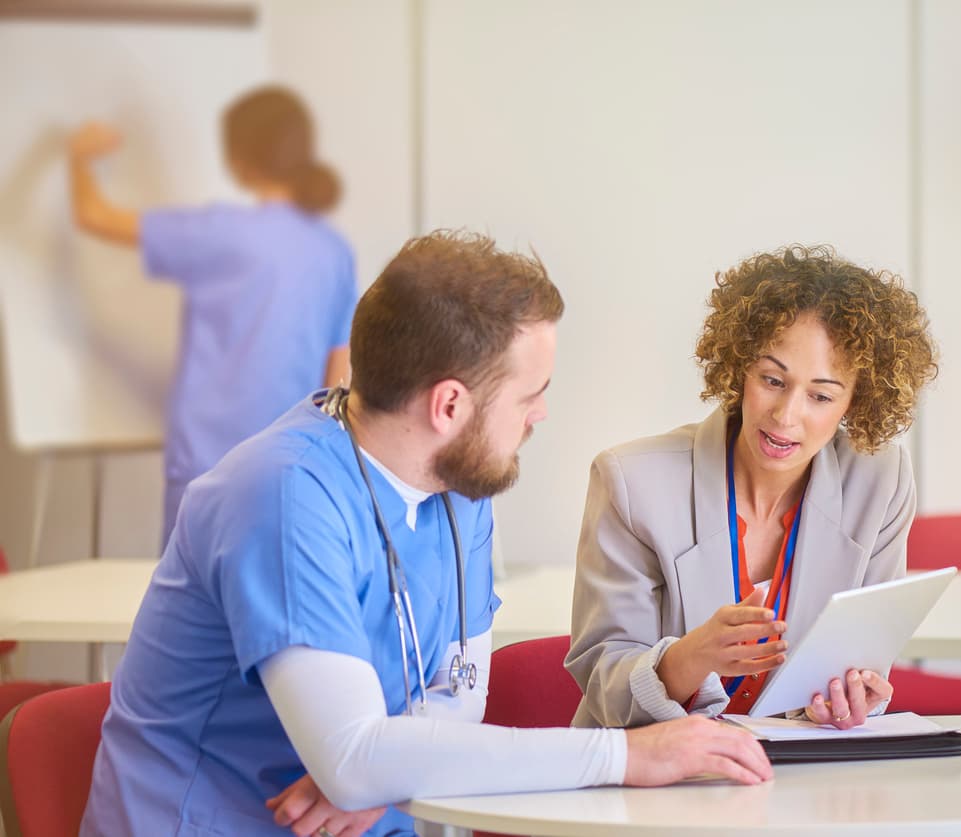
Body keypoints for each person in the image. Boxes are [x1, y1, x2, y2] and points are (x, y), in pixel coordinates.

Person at [80, 231, 772, 837]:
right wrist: (630, 757)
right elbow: (356, 759)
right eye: (531, 394)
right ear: (449, 404)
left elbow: (459, 696)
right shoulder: (284, 496)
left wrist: (375, 766)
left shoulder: (460, 482)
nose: (541, 415)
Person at [566, 244, 938, 731]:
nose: (786, 417)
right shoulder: (632, 482)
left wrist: (843, 700)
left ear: (856, 401)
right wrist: (689, 658)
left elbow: (862, 661)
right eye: (772, 379)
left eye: (821, 395)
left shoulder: (879, 481)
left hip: (797, 781)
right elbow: (604, 680)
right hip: (655, 778)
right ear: (739, 365)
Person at [68, 85, 357, 547]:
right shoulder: (334, 251)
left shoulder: (220, 233)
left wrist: (77, 157)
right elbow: (335, 378)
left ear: (239, 160)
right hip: (290, 468)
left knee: (190, 609)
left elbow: (92, 215)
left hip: (206, 467)